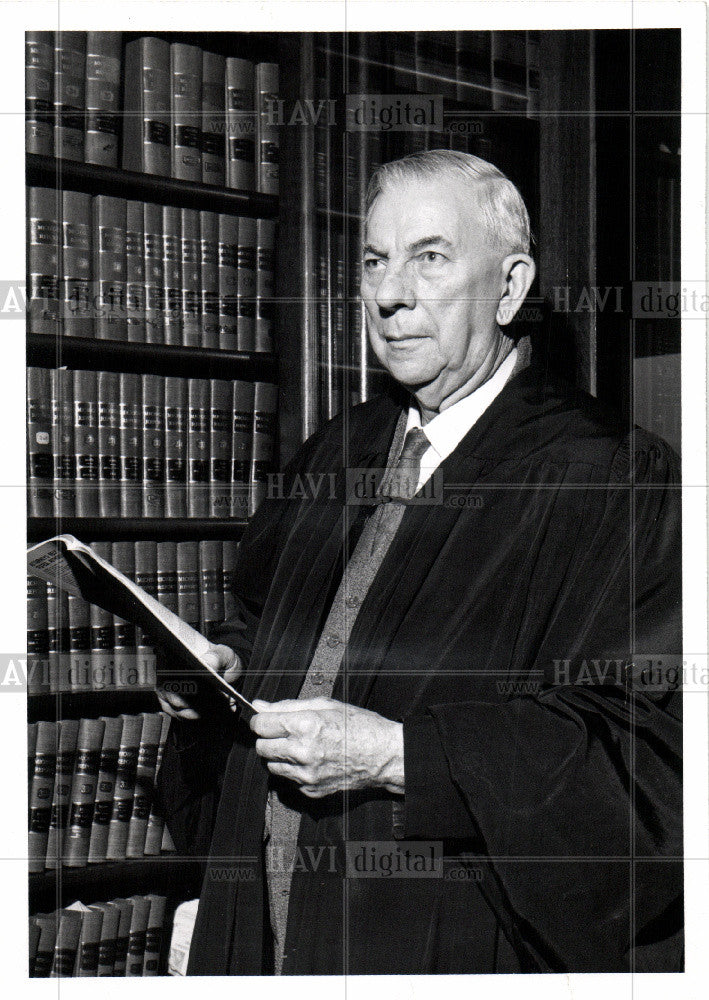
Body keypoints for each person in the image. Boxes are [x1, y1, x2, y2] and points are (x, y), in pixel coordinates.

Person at [157, 149, 682, 975]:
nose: (388, 292)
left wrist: (399, 756)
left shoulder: (607, 475)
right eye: (373, 261)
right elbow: (266, 625)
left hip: (435, 936)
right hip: (264, 926)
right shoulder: (339, 451)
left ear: (509, 288)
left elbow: (646, 758)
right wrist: (222, 672)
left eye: (428, 258)